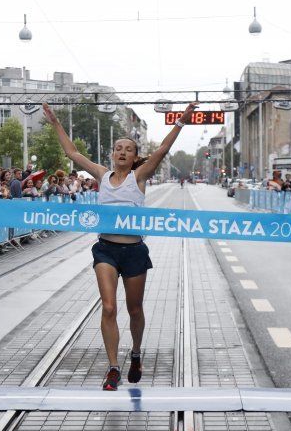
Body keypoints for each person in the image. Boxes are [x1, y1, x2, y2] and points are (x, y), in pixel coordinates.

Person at [43, 100, 198, 391]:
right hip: (106, 250)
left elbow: (163, 149)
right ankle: (113, 367)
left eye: (128, 149)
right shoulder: (102, 175)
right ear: (112, 154)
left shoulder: (139, 177)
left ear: (135, 156)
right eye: (118, 148)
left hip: (134, 252)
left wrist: (182, 120)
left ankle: (136, 353)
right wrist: (54, 121)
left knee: (134, 309)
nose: (122, 152)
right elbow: (72, 152)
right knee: (110, 307)